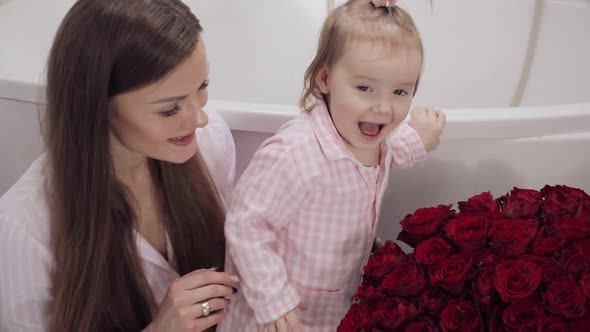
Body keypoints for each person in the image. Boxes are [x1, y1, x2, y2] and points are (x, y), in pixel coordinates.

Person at [0, 0, 238, 331]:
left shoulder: (210, 142)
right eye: (170, 109)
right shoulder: (21, 232)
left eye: (202, 87)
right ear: (97, 107)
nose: (200, 117)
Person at [218, 0, 446, 331]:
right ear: (325, 78)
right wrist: (272, 300)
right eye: (365, 88)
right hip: (279, 316)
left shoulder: (367, 139)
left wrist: (418, 139)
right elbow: (246, 224)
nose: (383, 107)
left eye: (400, 91)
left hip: (333, 308)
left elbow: (382, 157)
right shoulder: (295, 154)